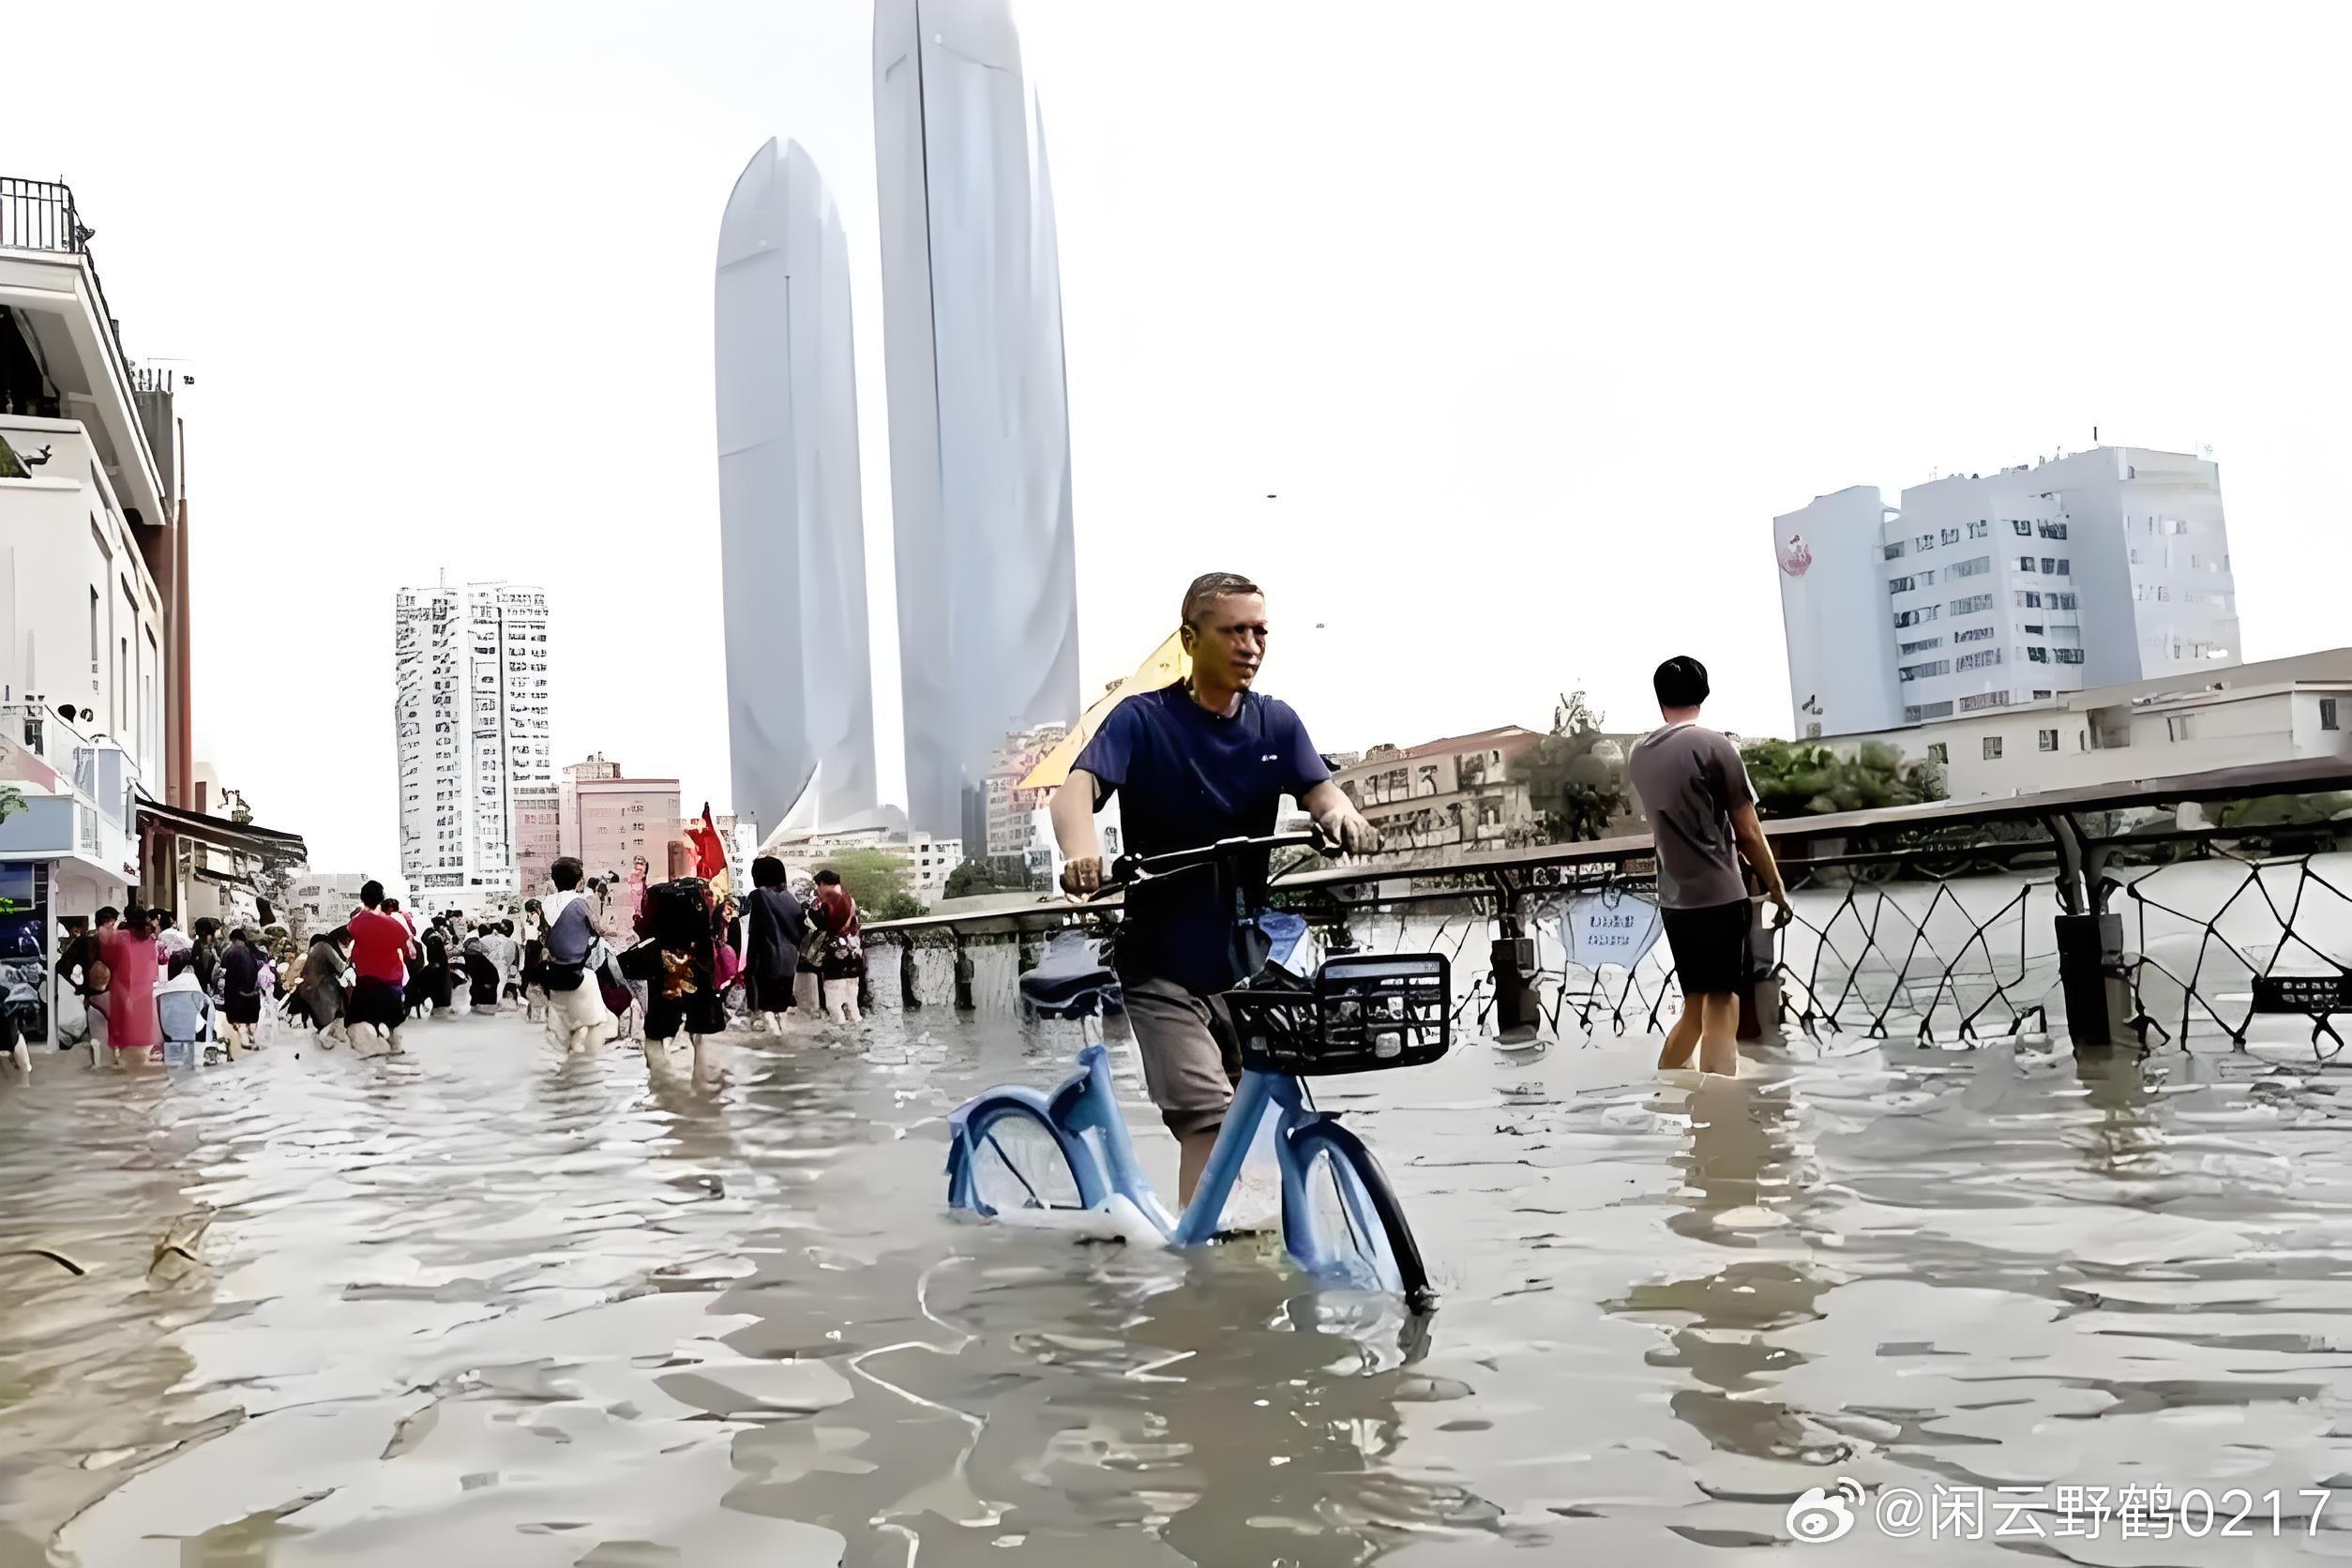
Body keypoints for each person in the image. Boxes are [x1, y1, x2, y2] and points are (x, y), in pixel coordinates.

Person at [1051, 571, 1380, 1205]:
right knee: (1207, 1121)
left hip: (1243, 963)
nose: (1251, 645)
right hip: (1160, 963)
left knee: (1252, 1116)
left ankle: (1248, 1245)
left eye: (1260, 631)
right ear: (1190, 637)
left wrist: (1341, 816)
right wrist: (1083, 853)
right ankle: (1203, 1278)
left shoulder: (1276, 724)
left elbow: (1322, 791)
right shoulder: (1140, 719)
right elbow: (1077, 790)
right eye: (1234, 631)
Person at [1623, 655, 1794, 1078]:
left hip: (1675, 901)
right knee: (1724, 1005)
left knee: (1695, 1008)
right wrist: (1776, 888)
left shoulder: (1639, 755)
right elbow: (1750, 833)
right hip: (1719, 898)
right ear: (1703, 695)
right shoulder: (1716, 747)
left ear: (1660, 699)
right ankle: (1722, 1118)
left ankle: (1666, 1088)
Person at [631, 859, 724, 1068]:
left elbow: (644, 932)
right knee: (701, 1037)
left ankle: (663, 1088)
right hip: (697, 978)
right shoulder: (703, 941)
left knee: (655, 1035)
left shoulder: (658, 906)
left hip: (667, 983)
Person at [539, 857, 619, 1053]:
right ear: (580, 882)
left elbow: (544, 935)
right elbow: (599, 930)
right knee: (599, 1025)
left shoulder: (545, 903)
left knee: (567, 1034)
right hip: (580, 974)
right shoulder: (582, 903)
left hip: (554, 974)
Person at [742, 856, 807, 1033]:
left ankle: (774, 1045)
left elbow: (757, 932)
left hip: (766, 961)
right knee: (780, 1009)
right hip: (789, 962)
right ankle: (784, 1040)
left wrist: (750, 969)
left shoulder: (758, 896)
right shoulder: (791, 899)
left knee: (764, 1011)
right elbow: (802, 930)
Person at [344, 881, 411, 1052]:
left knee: (356, 1021)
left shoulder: (356, 922)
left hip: (366, 981)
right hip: (391, 982)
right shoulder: (392, 924)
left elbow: (351, 933)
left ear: (362, 899)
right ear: (381, 898)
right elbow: (408, 949)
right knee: (393, 1025)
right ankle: (394, 1045)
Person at [95, 905, 164, 1066]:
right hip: (134, 990)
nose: (149, 927)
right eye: (146, 924)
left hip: (127, 989)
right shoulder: (142, 940)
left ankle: (119, 1062)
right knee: (136, 1041)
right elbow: (153, 971)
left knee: (125, 1038)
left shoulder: (121, 936)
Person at [807, 870, 866, 1025]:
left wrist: (813, 911)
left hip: (835, 956)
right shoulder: (849, 898)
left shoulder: (831, 901)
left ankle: (842, 1039)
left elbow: (821, 924)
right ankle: (858, 1034)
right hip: (853, 955)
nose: (817, 891)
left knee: (834, 1004)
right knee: (852, 1004)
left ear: (823, 884)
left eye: (817, 887)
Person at [295, 927, 351, 1046]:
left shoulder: (312, 951)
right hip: (326, 989)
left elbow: (303, 973)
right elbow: (341, 967)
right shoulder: (325, 947)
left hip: (309, 992)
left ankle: (323, 1037)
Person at [219, 927, 267, 1055]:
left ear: (233, 940)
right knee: (250, 1019)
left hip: (235, 994)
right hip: (252, 994)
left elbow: (222, 971)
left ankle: (241, 1040)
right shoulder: (251, 952)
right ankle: (250, 1037)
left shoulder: (229, 952)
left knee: (237, 1019)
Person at [155, 962, 219, 1059]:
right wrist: (208, 1043)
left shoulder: (171, 987)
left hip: (171, 1031)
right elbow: (210, 1019)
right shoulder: (200, 993)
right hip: (193, 1033)